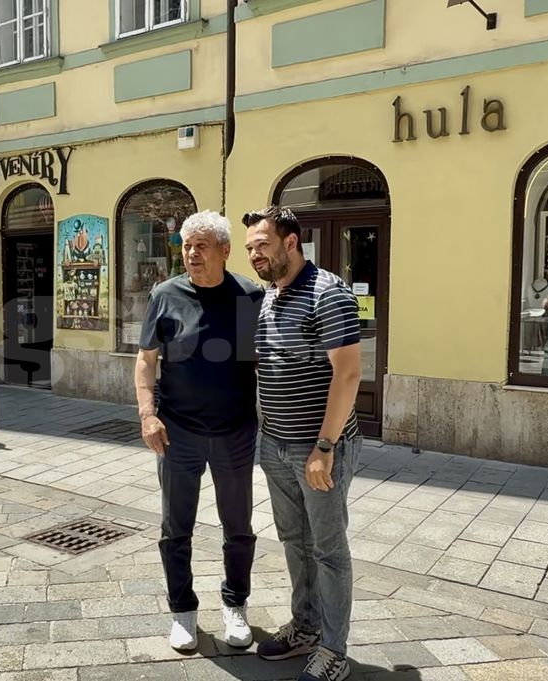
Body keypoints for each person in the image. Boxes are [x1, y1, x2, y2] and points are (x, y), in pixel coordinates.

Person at [134, 210, 264, 652]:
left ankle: (235, 604)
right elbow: (146, 360)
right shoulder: (165, 295)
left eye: (201, 245)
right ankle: (183, 612)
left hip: (235, 432)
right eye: (187, 246)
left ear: (225, 251)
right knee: (176, 528)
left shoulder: (248, 296)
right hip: (178, 433)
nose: (191, 253)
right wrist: (148, 414)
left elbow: (260, 361)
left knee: (238, 527)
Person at [243, 206, 363, 681]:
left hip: (318, 450)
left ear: (291, 242)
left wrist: (325, 447)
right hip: (275, 443)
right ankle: (306, 626)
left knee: (328, 550)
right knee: (294, 540)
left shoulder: (327, 292)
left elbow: (348, 373)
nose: (255, 254)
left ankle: (334, 651)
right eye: (250, 247)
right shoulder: (271, 295)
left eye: (262, 245)